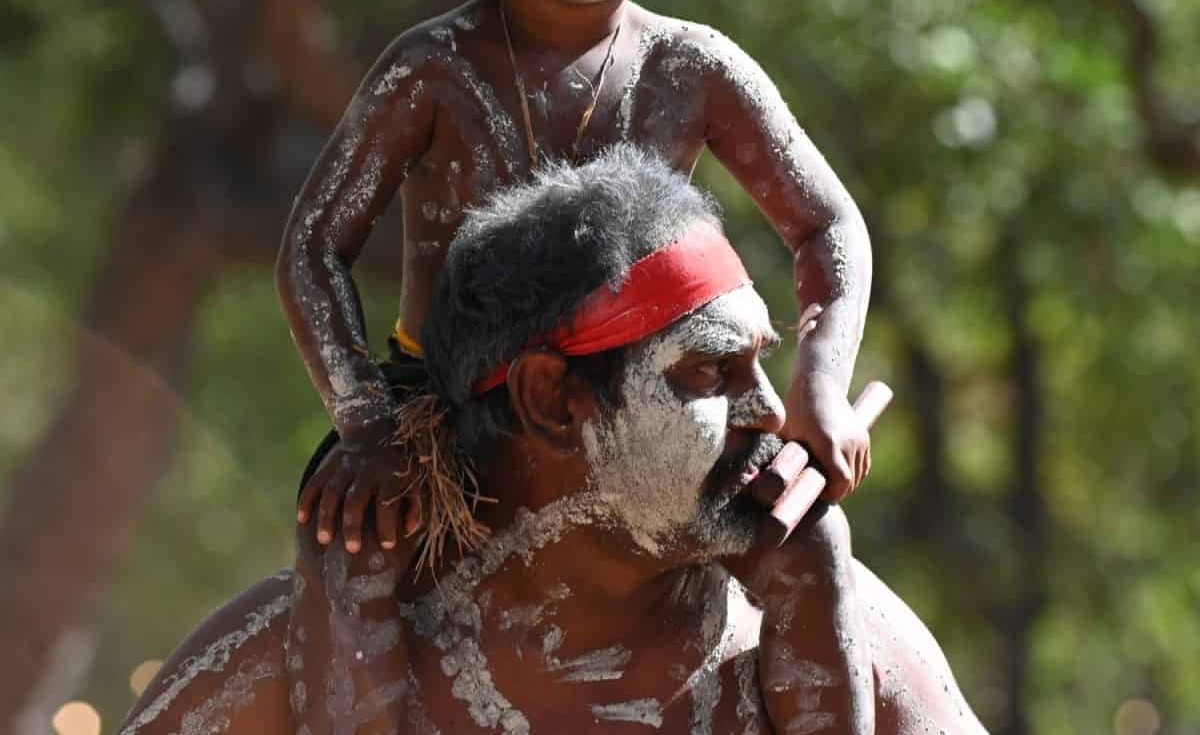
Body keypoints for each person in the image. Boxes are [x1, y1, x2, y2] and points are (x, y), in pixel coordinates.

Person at [275, 0, 874, 727]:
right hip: (446, 420)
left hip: (659, 414)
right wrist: (366, 420)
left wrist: (819, 387)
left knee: (809, 535)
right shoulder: (430, 69)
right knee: (347, 554)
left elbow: (827, 222)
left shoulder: (695, 67)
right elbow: (311, 247)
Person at [123, 149, 983, 734]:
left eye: (763, 366)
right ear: (551, 398)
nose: (768, 412)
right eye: (708, 374)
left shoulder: (828, 622)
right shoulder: (304, 643)